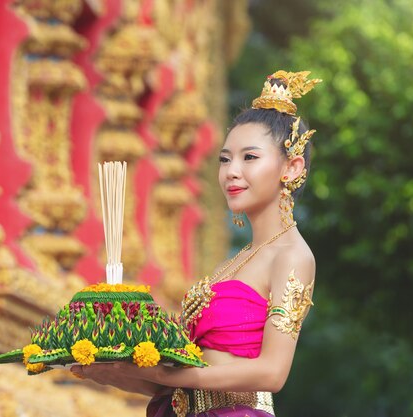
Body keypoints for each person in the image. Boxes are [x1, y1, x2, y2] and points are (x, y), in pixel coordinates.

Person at [71, 70, 321, 417]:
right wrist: (118, 372)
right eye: (224, 159)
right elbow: (185, 381)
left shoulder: (292, 256)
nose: (231, 171)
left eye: (249, 157)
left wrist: (165, 373)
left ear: (291, 168)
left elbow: (272, 373)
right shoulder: (233, 263)